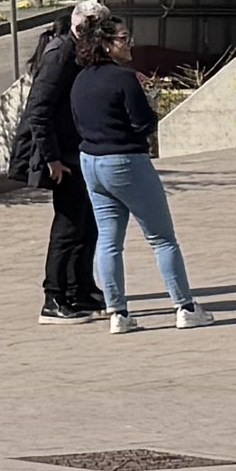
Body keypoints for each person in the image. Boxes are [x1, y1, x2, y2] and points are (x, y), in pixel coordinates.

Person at [64, 18, 196, 331]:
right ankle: (185, 307)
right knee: (162, 239)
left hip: (91, 162)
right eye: (124, 38)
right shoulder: (124, 79)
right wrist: (149, 106)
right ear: (106, 44)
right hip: (126, 161)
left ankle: (118, 314)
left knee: (109, 241)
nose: (130, 43)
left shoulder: (80, 80)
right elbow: (143, 122)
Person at [21, 0, 106, 320]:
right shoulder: (61, 54)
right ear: (83, 25)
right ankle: (54, 297)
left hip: (78, 151)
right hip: (63, 157)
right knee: (68, 228)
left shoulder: (77, 52)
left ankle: (79, 289)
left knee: (88, 225)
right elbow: (38, 110)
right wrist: (52, 158)